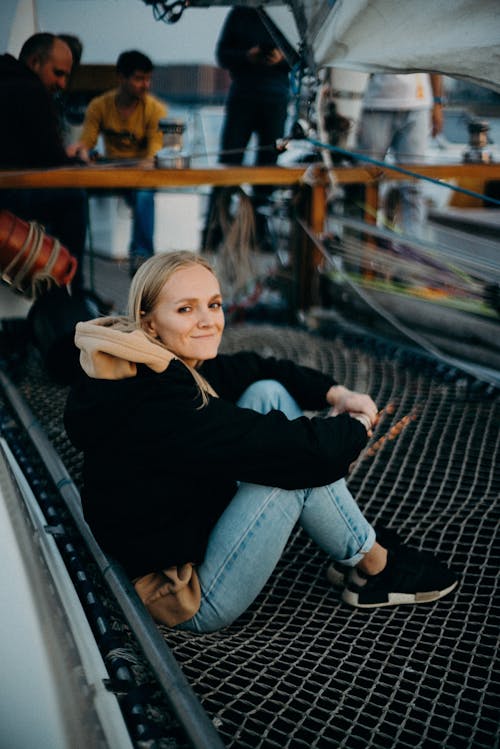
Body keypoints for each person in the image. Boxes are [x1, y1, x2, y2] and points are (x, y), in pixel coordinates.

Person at [64, 250, 458, 634]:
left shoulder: (148, 361)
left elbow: (253, 367)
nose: (207, 321)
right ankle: (374, 567)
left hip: (185, 529)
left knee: (267, 391)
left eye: (214, 305)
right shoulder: (160, 402)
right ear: (149, 323)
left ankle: (353, 549)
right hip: (183, 593)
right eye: (185, 309)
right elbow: (304, 452)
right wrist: (357, 426)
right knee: (294, 467)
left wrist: (335, 393)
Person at [0, 32, 88, 291]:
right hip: (6, 198)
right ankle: (69, 287)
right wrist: (79, 164)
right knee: (74, 198)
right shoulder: (30, 89)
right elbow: (53, 161)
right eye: (58, 73)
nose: (62, 83)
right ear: (35, 62)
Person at [68, 50, 167, 276]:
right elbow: (87, 142)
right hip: (109, 169)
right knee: (74, 193)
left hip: (139, 173)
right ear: (121, 78)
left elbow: (153, 156)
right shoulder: (99, 105)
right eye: (139, 78)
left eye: (148, 79)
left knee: (144, 193)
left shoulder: (155, 110)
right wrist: (82, 153)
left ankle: (142, 259)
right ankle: (73, 256)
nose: (146, 85)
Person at [203, 7, 291, 252]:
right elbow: (222, 55)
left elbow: (301, 55)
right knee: (228, 164)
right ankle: (214, 231)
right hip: (242, 95)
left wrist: (281, 57)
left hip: (275, 99)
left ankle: (258, 233)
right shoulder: (239, 13)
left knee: (268, 166)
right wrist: (247, 56)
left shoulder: (285, 13)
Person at [353, 73, 444, 239]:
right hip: (373, 103)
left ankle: (414, 251)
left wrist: (437, 102)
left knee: (413, 187)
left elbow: (434, 60)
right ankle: (363, 250)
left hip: (418, 104)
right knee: (365, 184)